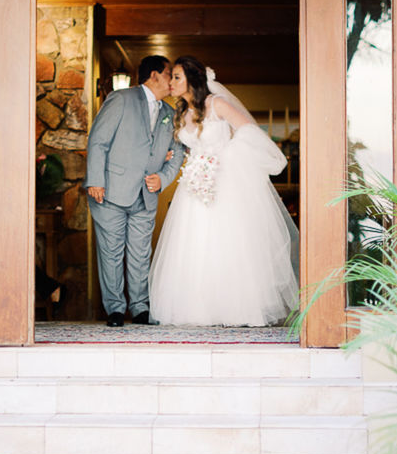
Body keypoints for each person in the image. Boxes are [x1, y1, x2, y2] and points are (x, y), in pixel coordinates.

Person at [149, 56, 299, 327]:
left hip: (222, 184)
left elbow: (250, 132)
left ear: (192, 79)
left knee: (225, 242)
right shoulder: (182, 113)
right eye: (171, 77)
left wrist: (222, 158)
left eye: (177, 77)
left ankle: (235, 309)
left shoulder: (216, 104)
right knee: (194, 244)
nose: (171, 82)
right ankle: (199, 310)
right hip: (194, 188)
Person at [85, 55, 185, 327]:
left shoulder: (170, 113)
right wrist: (95, 179)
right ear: (154, 75)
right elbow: (98, 140)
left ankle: (140, 307)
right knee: (111, 252)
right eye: (169, 75)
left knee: (141, 254)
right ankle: (115, 309)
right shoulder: (121, 98)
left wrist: (163, 178)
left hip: (146, 195)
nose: (172, 81)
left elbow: (177, 151)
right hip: (109, 191)